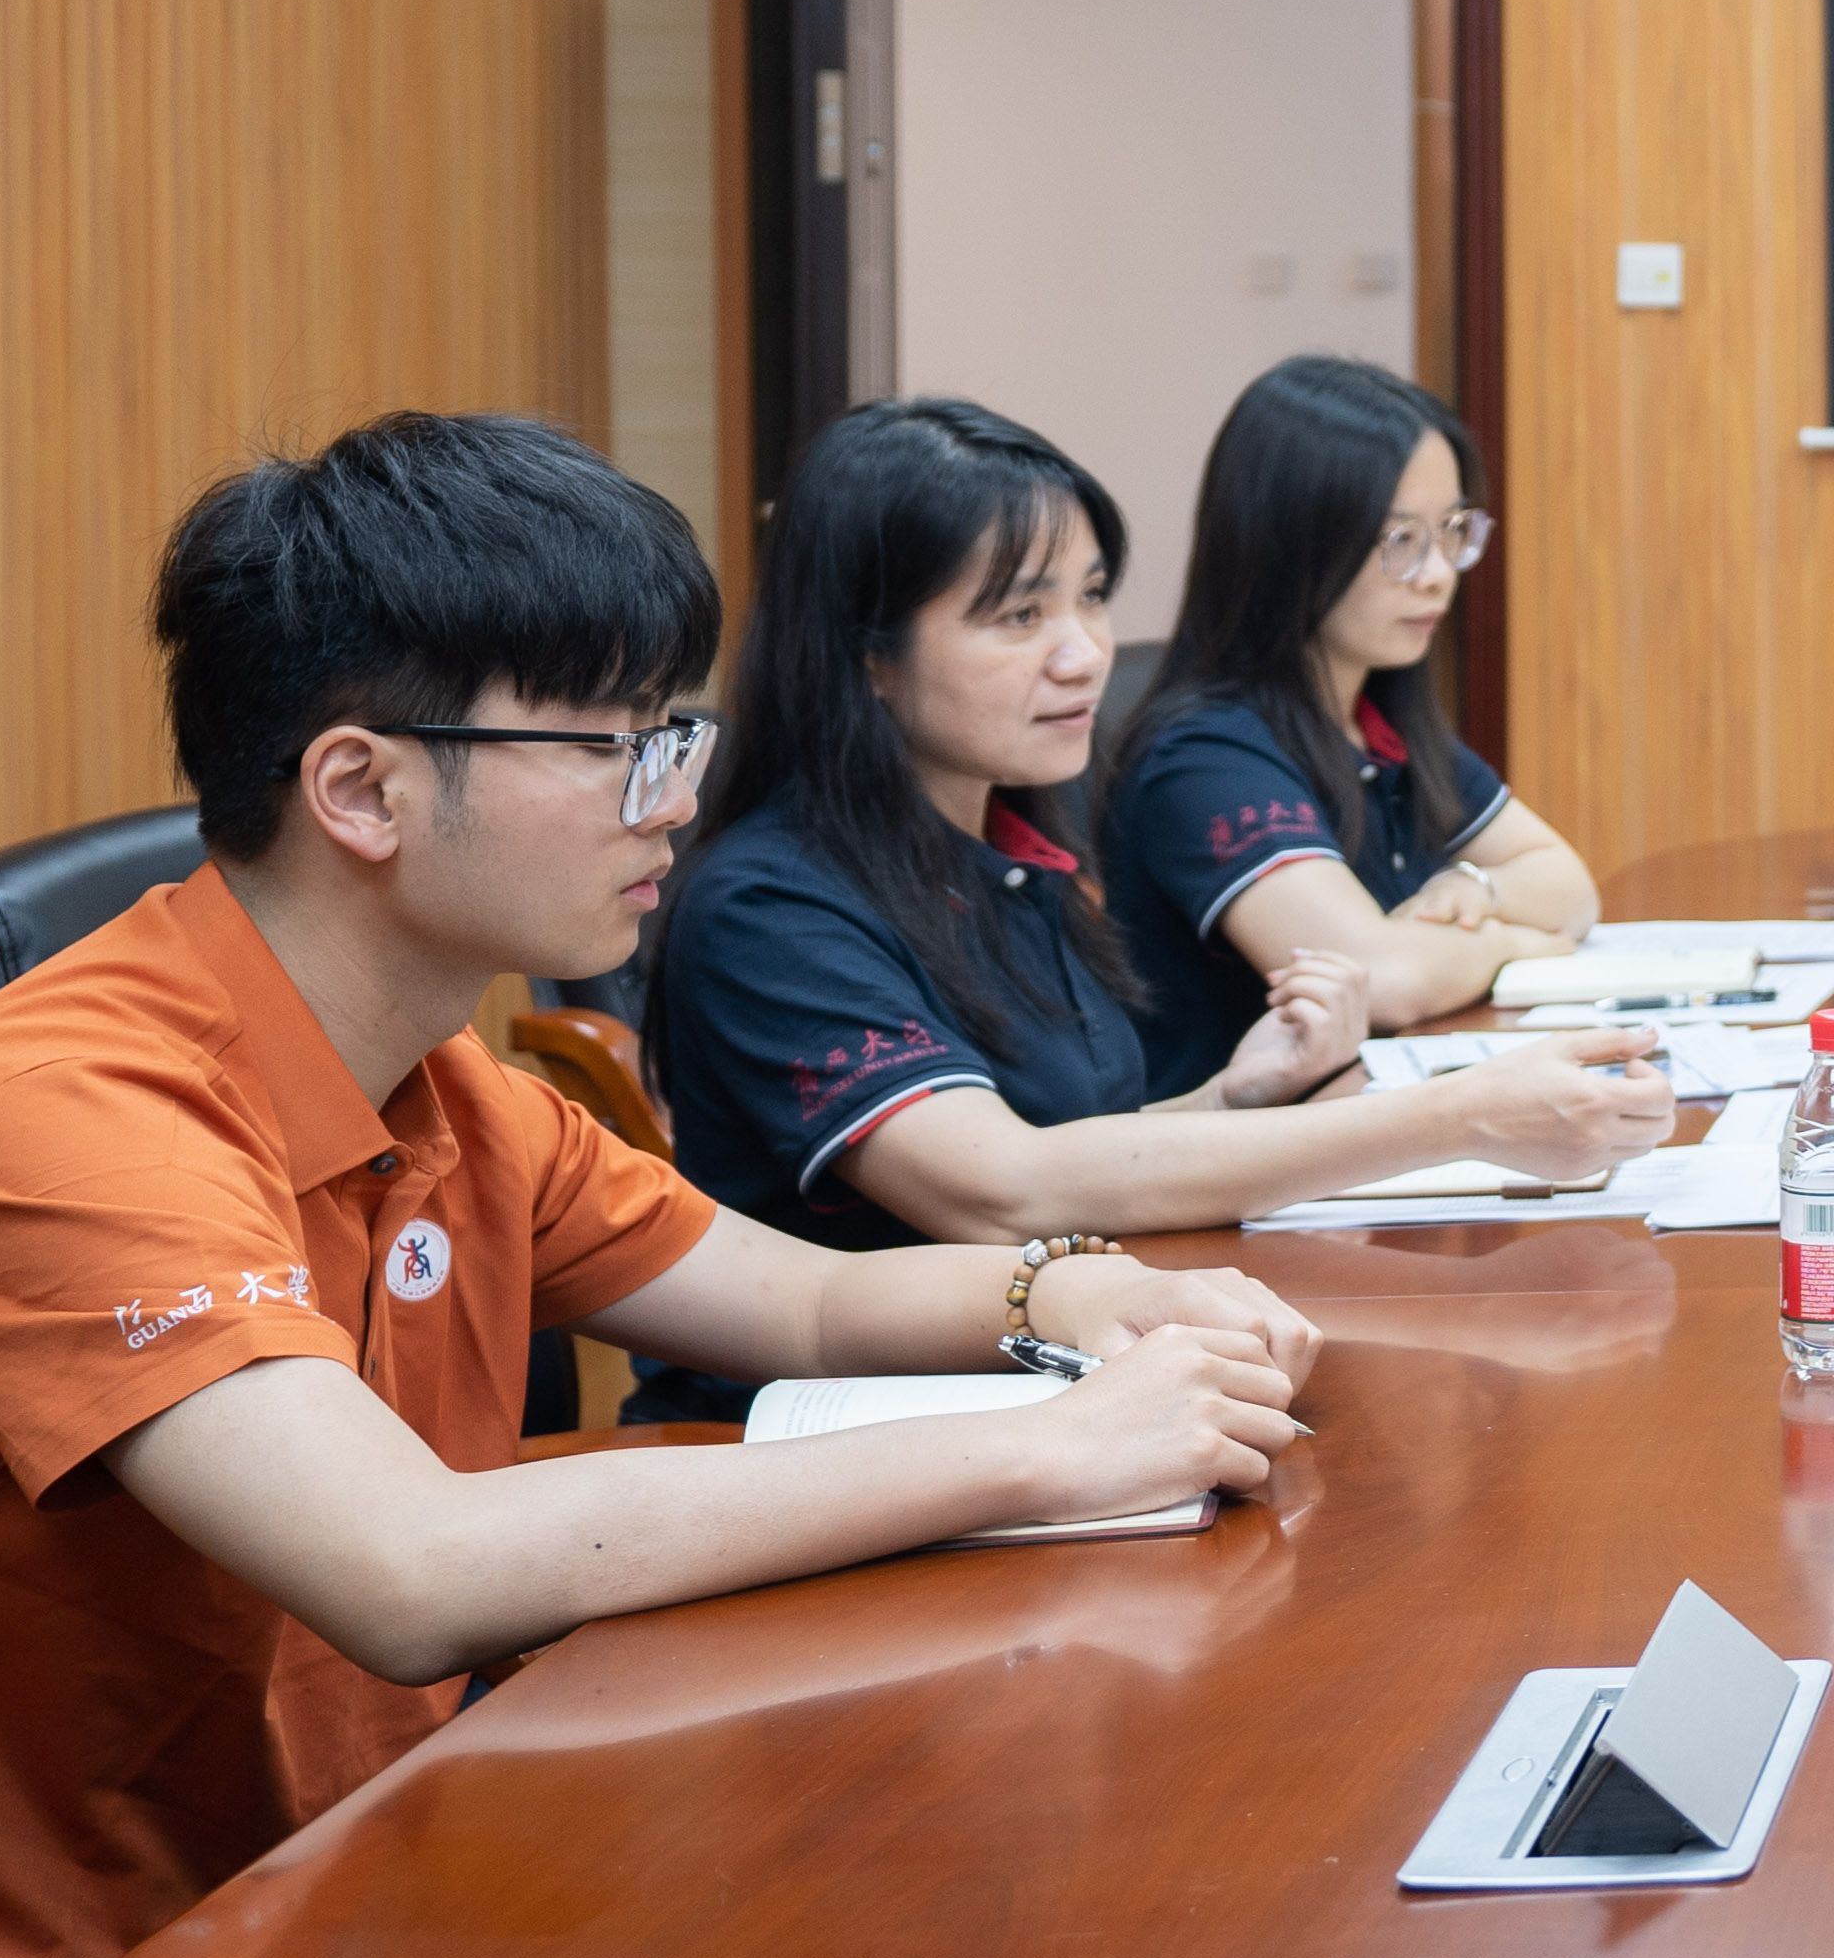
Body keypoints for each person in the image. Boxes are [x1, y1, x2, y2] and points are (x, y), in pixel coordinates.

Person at [0, 415, 1319, 1958]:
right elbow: (409, 1566)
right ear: (362, 789)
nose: (671, 802)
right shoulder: (62, 1110)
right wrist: (1055, 1446)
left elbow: (805, 1303)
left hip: (366, 1879)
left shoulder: (441, 1080)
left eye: (676, 735)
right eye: (617, 746)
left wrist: (1073, 1293)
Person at [638, 402, 1671, 1416]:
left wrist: (1229, 1100)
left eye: (1091, 597)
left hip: (1063, 1398)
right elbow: (1003, 1189)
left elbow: (1064, 1145)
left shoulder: (1003, 853)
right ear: (869, 655)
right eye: (1020, 615)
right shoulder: (769, 906)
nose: (1085, 653)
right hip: (836, 1439)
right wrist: (1462, 1117)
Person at [1101, 356, 1601, 1090]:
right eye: (1400, 541)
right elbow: (1379, 979)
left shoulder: (1379, 720)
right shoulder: (1203, 757)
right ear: (1288, 544)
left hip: (1379, 1113)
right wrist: (1516, 944)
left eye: (1452, 531)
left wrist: (1478, 893)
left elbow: (1570, 886)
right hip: (1251, 1149)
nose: (1439, 573)